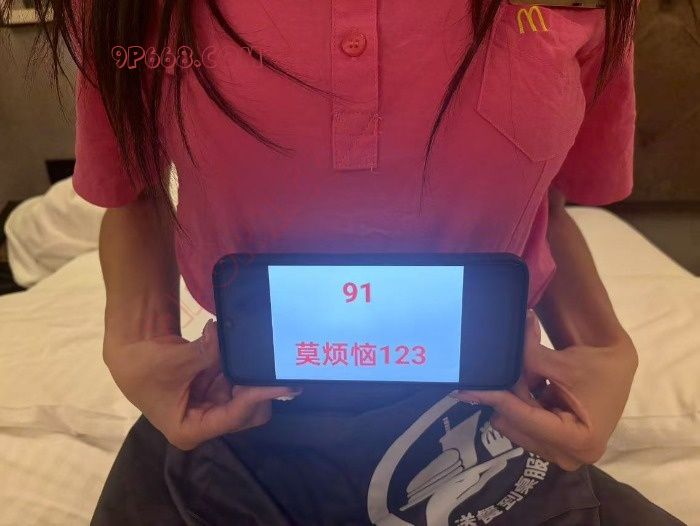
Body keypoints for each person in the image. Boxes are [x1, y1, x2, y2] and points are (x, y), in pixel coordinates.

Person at [20, 0, 685, 523]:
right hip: (237, 411)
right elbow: (133, 191)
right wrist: (136, 340)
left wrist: (602, 347)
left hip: (488, 415)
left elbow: (546, 202)